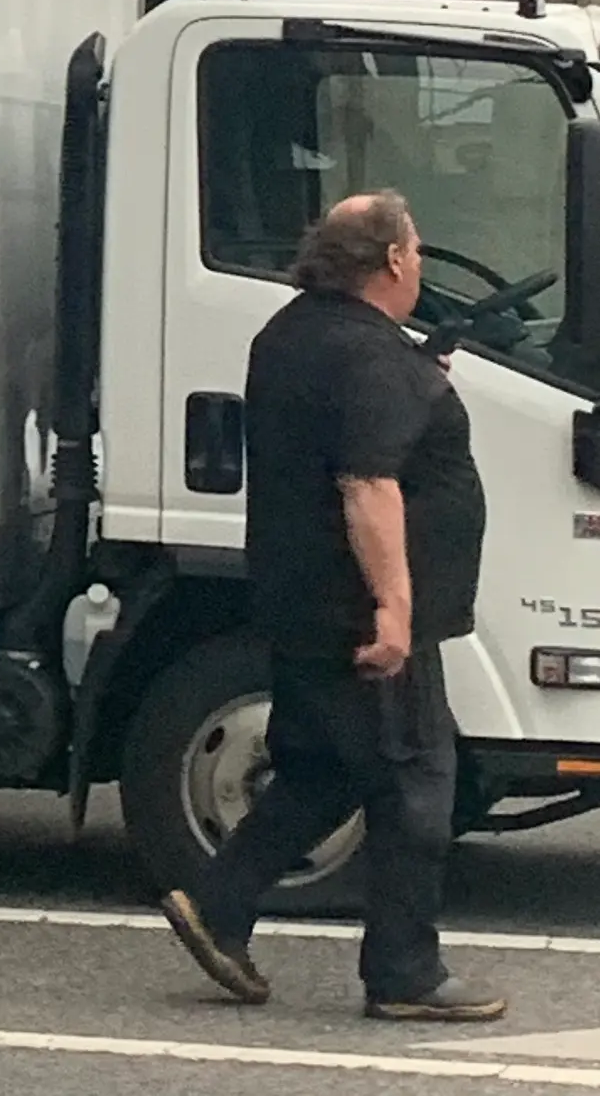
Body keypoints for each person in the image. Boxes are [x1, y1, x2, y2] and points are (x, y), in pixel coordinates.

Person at [158, 190, 504, 1024]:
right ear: (391, 260)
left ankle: (219, 904)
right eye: (415, 249)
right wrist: (394, 608)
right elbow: (366, 482)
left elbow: (337, 432)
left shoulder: (293, 333)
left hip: (295, 595)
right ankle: (405, 971)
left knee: (322, 767)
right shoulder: (370, 356)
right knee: (416, 776)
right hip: (357, 609)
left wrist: (419, 379)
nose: (419, 261)